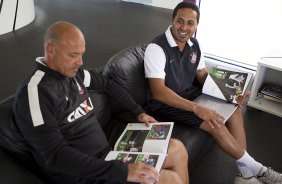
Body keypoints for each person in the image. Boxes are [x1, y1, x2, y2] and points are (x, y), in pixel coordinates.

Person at [13, 21, 189, 184]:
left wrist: (138, 111)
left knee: (177, 149)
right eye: (74, 55)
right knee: (170, 179)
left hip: (108, 154)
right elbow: (55, 155)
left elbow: (108, 84)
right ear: (50, 50)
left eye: (81, 55)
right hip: (82, 173)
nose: (80, 62)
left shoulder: (74, 75)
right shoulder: (35, 92)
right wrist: (122, 172)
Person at [144, 2, 282, 184]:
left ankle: (244, 174)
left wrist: (230, 93)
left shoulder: (193, 44)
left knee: (233, 109)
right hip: (165, 104)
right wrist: (196, 108)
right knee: (214, 122)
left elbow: (202, 74)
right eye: (180, 21)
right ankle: (259, 170)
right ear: (172, 20)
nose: (184, 27)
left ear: (196, 25)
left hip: (189, 95)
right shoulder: (156, 48)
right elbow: (159, 92)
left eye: (190, 23)